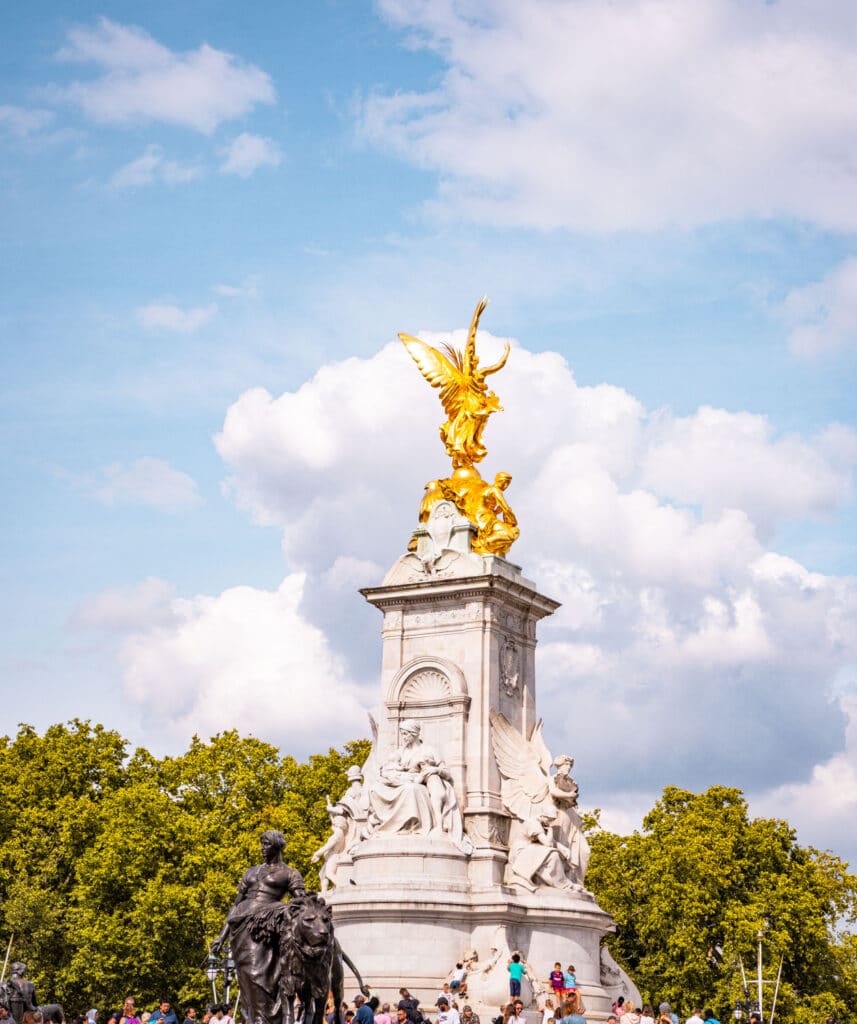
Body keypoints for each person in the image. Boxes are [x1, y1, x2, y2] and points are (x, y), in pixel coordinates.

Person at [211, 830, 307, 1024]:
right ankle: (257, 1018)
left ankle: (267, 1019)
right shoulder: (251, 871)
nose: (262, 848)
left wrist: (280, 909)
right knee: (246, 977)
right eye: (262, 844)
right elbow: (236, 905)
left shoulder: (289, 873)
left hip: (263, 929)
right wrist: (221, 937)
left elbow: (302, 902)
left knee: (261, 976)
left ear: (277, 846)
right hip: (241, 928)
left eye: (266, 844)